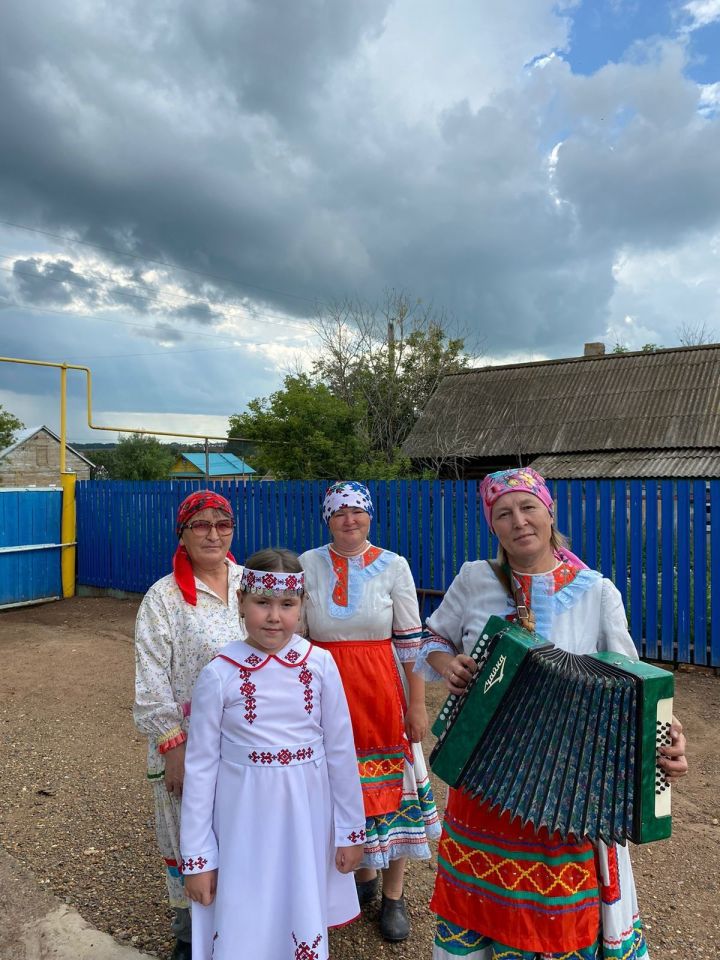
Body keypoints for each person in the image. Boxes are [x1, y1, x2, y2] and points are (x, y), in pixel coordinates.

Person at [416, 466, 689, 960]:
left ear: (549, 511)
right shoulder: (474, 579)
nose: (518, 521)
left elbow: (638, 683)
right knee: (479, 909)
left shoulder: (596, 590)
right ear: (492, 524)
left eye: (528, 508)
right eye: (504, 513)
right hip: (481, 776)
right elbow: (432, 637)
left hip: (565, 792)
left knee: (557, 922)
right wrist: (447, 662)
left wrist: (668, 735)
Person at [179, 548, 365, 960]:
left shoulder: (320, 666)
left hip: (306, 820)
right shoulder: (219, 674)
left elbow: (340, 751)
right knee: (246, 908)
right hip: (242, 822)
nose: (274, 617)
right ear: (242, 602)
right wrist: (198, 857)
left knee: (298, 901)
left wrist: (350, 831)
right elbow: (200, 769)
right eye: (262, 603)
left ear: (302, 605)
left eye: (287, 604)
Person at [300, 481, 441, 943]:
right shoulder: (308, 564)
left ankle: (395, 896)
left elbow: (410, 644)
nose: (349, 520)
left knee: (394, 791)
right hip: (324, 692)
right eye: (339, 513)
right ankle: (363, 878)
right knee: (341, 790)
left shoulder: (393, 566)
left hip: (381, 694)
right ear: (327, 519)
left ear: (370, 517)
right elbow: (296, 638)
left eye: (357, 512)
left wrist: (416, 705)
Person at [134, 490, 245, 960]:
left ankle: (242, 923)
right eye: (201, 524)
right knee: (186, 832)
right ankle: (188, 933)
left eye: (222, 524)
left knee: (241, 830)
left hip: (248, 740)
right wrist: (173, 749)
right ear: (182, 532)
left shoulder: (249, 582)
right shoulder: (163, 598)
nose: (213, 534)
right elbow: (150, 680)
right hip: (188, 741)